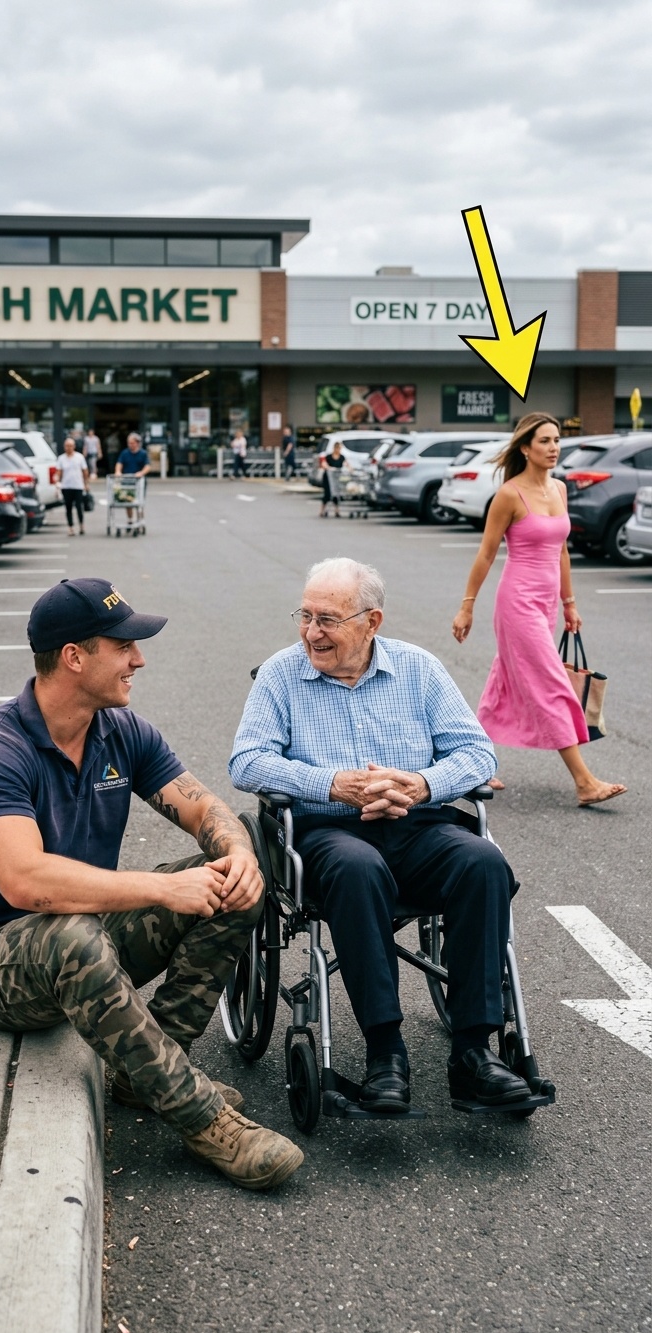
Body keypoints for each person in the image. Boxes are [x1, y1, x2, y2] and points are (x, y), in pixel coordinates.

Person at [0, 579, 303, 1192]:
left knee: (225, 877)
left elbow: (201, 808)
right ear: (75, 656)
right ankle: (202, 1119)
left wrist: (238, 854)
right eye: (124, 645)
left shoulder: (119, 731)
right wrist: (161, 890)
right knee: (77, 934)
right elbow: (26, 882)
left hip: (83, 934)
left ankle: (149, 1071)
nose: (139, 658)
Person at [230, 556, 533, 1113]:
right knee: (357, 868)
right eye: (306, 616)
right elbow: (246, 763)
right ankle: (385, 1052)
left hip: (417, 824)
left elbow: (476, 752)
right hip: (327, 832)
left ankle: (474, 1052)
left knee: (482, 863)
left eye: (328, 620)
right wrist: (331, 784)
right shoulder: (281, 674)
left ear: (372, 622)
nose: (311, 632)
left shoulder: (418, 669)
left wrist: (421, 784)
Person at [451, 412, 626, 808]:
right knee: (552, 685)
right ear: (525, 448)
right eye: (544, 441)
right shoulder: (510, 494)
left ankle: (469, 763)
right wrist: (467, 607)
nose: (553, 448)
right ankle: (584, 782)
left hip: (546, 605)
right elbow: (485, 553)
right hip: (516, 604)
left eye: (557, 440)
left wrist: (569, 603)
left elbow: (562, 551)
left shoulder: (559, 490)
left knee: (505, 680)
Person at [115, 432, 151, 533]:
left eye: (132, 443)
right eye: (129, 443)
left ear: (137, 443)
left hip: (139, 482)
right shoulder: (125, 453)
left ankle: (140, 520)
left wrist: (141, 473)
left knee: (139, 502)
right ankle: (130, 520)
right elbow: (119, 463)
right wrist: (118, 472)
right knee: (128, 502)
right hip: (127, 481)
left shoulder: (143, 454)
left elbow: (148, 466)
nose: (130, 445)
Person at [56, 436, 90, 536]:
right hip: (66, 486)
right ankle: (70, 527)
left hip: (78, 485)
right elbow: (59, 472)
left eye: (70, 446)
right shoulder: (61, 458)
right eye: (67, 446)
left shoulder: (79, 457)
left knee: (79, 507)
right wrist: (57, 482)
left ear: (74, 446)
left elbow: (85, 471)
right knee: (68, 507)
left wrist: (86, 483)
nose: (69, 448)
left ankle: (81, 525)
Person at [319, 441, 347, 517]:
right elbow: (323, 464)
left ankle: (337, 510)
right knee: (327, 494)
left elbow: (346, 464)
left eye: (340, 448)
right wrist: (329, 468)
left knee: (336, 494)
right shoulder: (329, 457)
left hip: (337, 478)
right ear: (334, 448)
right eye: (337, 448)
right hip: (328, 478)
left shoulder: (341, 457)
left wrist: (350, 469)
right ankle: (322, 510)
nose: (338, 450)